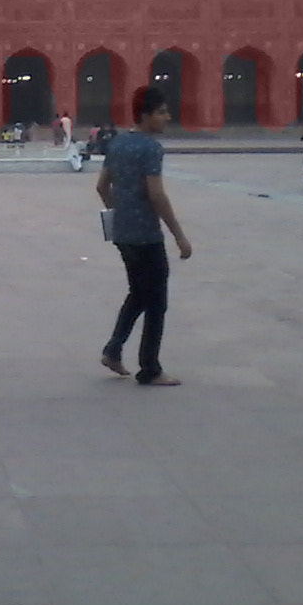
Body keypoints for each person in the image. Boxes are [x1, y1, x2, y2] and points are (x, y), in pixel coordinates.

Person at [96, 85, 193, 385]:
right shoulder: (151, 148)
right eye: (162, 112)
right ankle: (150, 367)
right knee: (156, 300)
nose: (167, 117)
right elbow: (156, 195)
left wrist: (120, 212)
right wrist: (179, 235)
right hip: (147, 236)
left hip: (123, 234)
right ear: (147, 115)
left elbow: (101, 186)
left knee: (139, 293)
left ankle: (113, 350)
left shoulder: (118, 144)